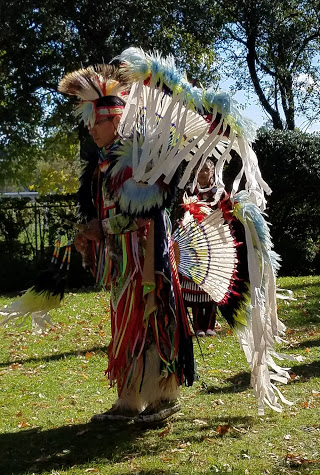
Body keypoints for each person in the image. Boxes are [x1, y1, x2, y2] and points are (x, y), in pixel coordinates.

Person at [60, 64, 194, 423]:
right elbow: (104, 211)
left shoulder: (137, 158)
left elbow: (145, 212)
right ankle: (129, 399)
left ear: (116, 118)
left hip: (146, 257)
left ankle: (165, 396)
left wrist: (102, 228)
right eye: (88, 122)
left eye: (97, 121)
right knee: (125, 324)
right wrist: (91, 236)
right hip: (122, 261)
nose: (91, 129)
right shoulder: (102, 165)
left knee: (152, 318)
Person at [181, 159, 218, 336]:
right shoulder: (189, 191)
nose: (203, 173)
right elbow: (182, 214)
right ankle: (197, 326)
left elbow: (224, 215)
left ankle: (210, 325)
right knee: (196, 285)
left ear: (212, 173)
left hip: (213, 243)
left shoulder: (218, 193)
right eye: (199, 169)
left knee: (211, 285)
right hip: (193, 243)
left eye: (206, 170)